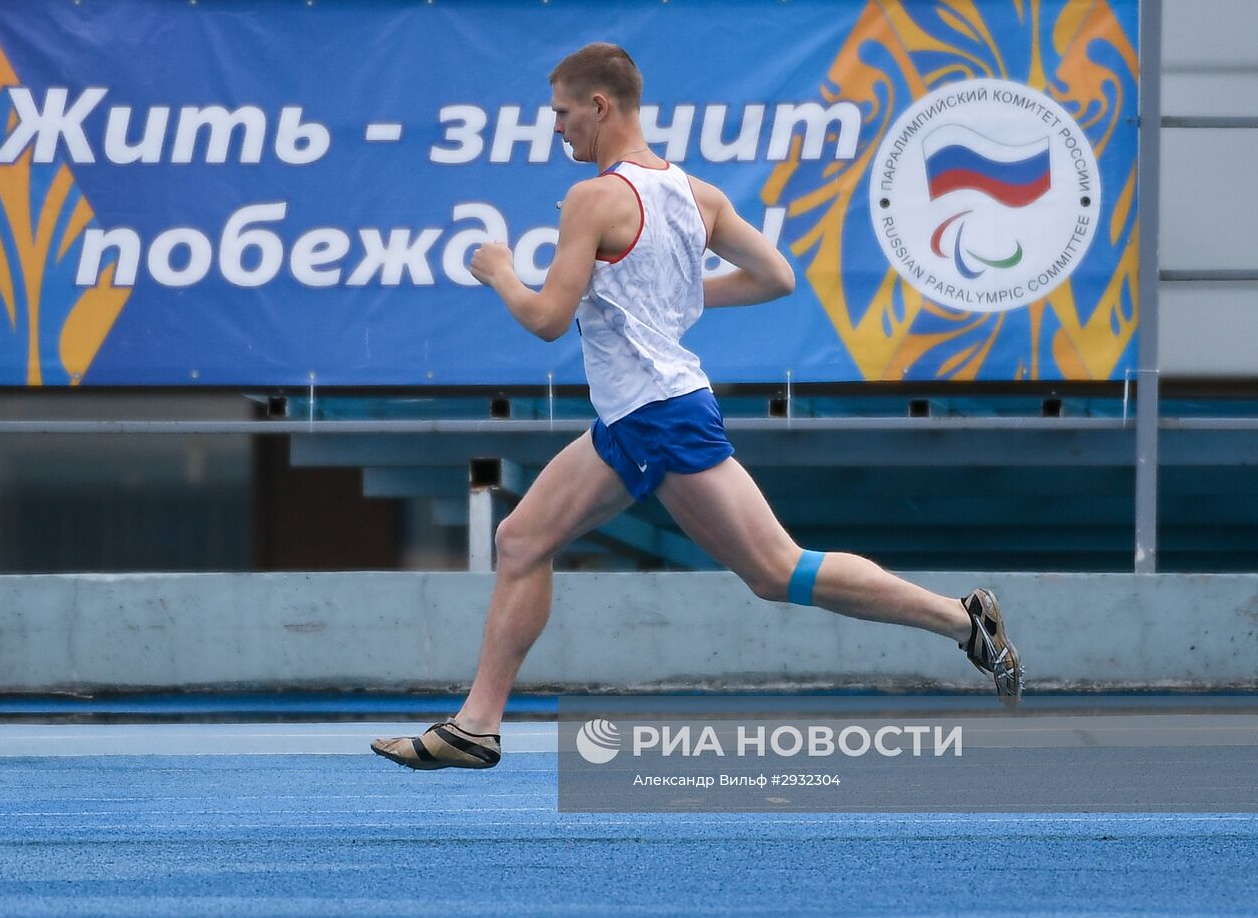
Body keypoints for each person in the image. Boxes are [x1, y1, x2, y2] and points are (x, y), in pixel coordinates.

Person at [372, 43, 1021, 771]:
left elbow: (548, 319)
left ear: (599, 105)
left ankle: (962, 621)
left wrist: (499, 273)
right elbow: (776, 276)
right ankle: (477, 724)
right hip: (633, 417)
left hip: (659, 416)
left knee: (776, 571)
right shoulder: (695, 194)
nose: (555, 129)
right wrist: (667, 294)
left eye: (560, 113)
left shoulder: (592, 199)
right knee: (521, 540)